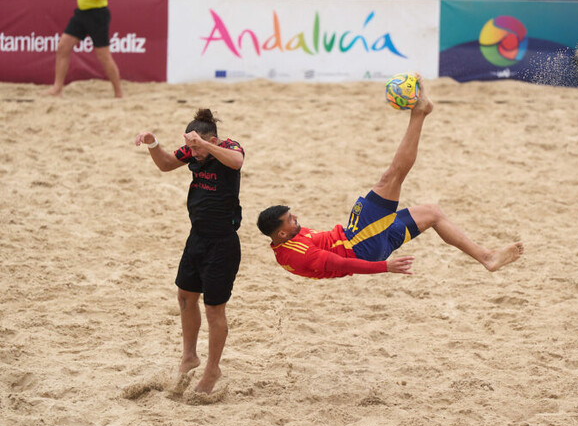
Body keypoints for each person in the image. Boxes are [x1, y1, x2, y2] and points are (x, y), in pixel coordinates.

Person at [257, 75, 523, 279]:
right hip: (361, 244)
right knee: (391, 177)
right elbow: (341, 264)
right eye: (291, 220)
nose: (297, 219)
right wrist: (384, 267)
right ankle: (419, 112)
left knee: (432, 212)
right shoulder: (295, 253)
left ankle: (486, 257)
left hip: (364, 241)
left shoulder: (289, 240)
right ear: (281, 233)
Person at [134, 109, 244, 394]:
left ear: (212, 140)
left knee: (213, 309)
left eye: (196, 147)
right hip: (197, 238)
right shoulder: (195, 151)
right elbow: (167, 163)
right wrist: (152, 142)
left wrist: (204, 145)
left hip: (222, 243)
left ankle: (212, 369)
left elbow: (236, 162)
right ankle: (189, 356)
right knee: (184, 296)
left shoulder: (228, 148)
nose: (192, 153)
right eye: (191, 147)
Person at [45, 0, 123, 98]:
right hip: (81, 13)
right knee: (63, 47)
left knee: (104, 56)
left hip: (97, 14)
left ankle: (118, 92)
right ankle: (57, 88)